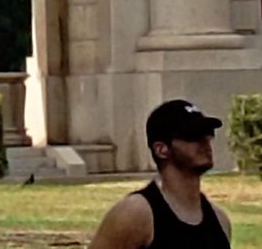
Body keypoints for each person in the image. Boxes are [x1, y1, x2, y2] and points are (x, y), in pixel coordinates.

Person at [89, 99, 233, 249]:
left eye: (208, 134)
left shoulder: (220, 221)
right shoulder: (136, 214)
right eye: (192, 136)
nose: (205, 143)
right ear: (161, 149)